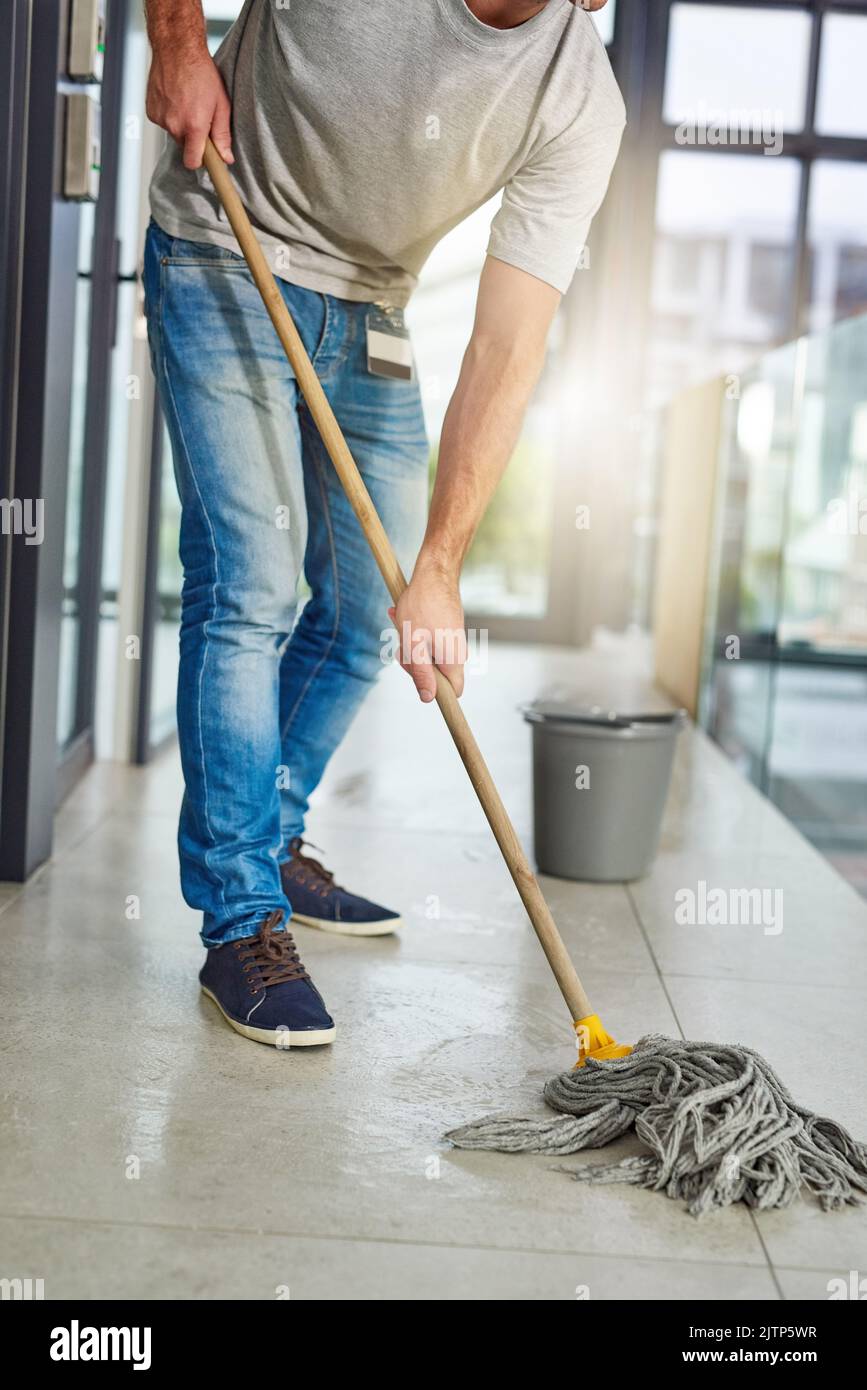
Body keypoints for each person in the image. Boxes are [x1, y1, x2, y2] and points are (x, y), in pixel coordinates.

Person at [142, 0, 624, 1047]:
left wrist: (441, 566)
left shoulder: (579, 99)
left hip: (372, 307)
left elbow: (505, 349)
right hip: (225, 238)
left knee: (371, 605)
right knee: (252, 584)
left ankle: (270, 832)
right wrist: (179, 45)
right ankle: (241, 923)